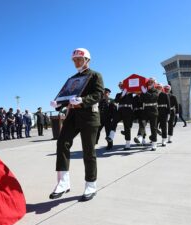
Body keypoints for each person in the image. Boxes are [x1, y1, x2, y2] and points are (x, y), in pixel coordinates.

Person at [49, 48, 104, 202]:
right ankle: (63, 182)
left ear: (87, 60)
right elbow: (67, 95)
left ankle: (90, 185)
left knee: (88, 151)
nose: (76, 62)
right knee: (62, 143)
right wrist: (58, 103)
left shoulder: (95, 75)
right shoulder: (72, 78)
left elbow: (98, 94)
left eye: (79, 59)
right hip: (73, 116)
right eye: (74, 60)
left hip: (89, 116)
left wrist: (83, 100)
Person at [106, 82, 134, 150]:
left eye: (121, 85)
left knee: (127, 127)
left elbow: (135, 92)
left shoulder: (130, 93)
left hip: (128, 110)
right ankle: (111, 136)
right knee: (114, 122)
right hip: (120, 110)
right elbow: (117, 100)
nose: (120, 86)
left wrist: (127, 92)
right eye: (119, 86)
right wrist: (123, 93)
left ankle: (128, 144)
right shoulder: (118, 94)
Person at [140, 78, 160, 151]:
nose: (150, 83)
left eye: (151, 82)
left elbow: (152, 97)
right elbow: (141, 99)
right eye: (149, 82)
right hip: (146, 110)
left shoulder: (156, 91)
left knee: (153, 128)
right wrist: (142, 92)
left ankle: (154, 144)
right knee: (142, 123)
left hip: (153, 111)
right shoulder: (145, 90)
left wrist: (145, 93)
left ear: (154, 83)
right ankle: (140, 137)